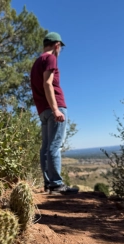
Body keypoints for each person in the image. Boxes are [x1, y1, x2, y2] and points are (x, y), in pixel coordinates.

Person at [30, 32, 78, 195]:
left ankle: (49, 184)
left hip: (43, 110)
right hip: (53, 107)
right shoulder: (50, 59)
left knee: (45, 147)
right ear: (57, 45)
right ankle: (57, 184)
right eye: (60, 48)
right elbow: (48, 83)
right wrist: (56, 109)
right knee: (55, 146)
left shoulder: (36, 63)